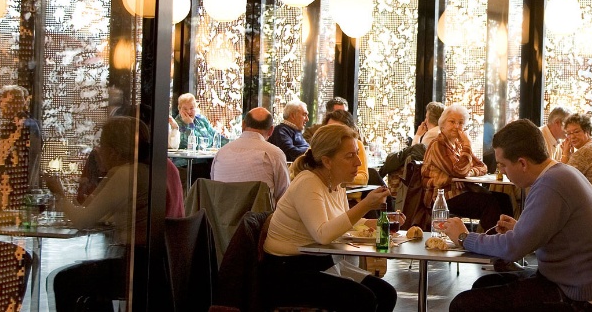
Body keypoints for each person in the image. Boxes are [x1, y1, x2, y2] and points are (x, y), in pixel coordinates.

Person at [444, 119, 592, 312]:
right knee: (486, 284)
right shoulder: (560, 174)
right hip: (574, 283)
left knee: (463, 305)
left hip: (575, 298)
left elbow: (514, 248)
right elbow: (555, 234)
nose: (503, 172)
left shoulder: (551, 185)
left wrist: (464, 237)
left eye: (503, 166)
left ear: (522, 163)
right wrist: (520, 229)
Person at [262, 124, 397, 311]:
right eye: (350, 156)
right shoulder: (308, 183)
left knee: (385, 293)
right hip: (287, 271)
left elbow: (343, 221)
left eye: (357, 153)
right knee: (363, 299)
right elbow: (323, 234)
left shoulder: (336, 183)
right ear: (327, 161)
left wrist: (379, 223)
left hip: (319, 263)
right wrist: (366, 205)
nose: (358, 162)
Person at [47, 117, 150, 311]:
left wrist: (58, 193)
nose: (98, 151)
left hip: (131, 265)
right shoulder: (145, 170)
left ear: (113, 150)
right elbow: (93, 209)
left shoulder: (125, 174)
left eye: (101, 145)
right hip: (147, 261)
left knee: (63, 280)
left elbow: (81, 220)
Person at [422, 104, 512, 232]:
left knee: (503, 198)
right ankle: (492, 243)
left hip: (460, 192)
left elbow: (482, 167)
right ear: (442, 124)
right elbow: (458, 171)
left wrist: (467, 174)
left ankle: (508, 238)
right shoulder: (438, 145)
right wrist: (467, 145)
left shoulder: (458, 145)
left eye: (460, 123)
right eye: (452, 122)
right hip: (441, 196)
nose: (456, 126)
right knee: (489, 203)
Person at [212, 107, 290, 201]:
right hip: (261, 215)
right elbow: (284, 196)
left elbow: (214, 187)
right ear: (271, 130)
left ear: (243, 125)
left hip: (221, 214)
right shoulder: (274, 154)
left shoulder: (221, 152)